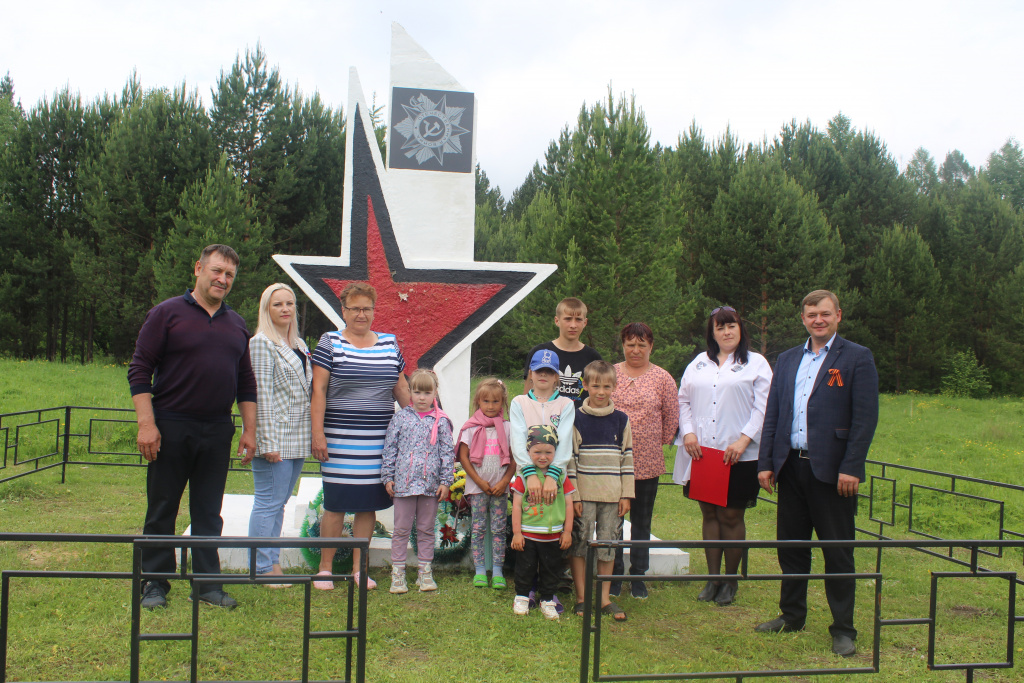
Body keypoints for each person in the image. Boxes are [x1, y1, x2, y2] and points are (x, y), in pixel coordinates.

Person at [128, 244, 257, 611]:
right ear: (198, 268)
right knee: (162, 508)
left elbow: (245, 382)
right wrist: (147, 424)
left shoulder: (236, 324)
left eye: (230, 275)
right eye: (217, 271)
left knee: (207, 512)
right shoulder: (166, 313)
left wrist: (249, 430)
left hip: (217, 429)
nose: (223, 279)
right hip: (170, 425)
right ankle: (154, 584)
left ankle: (207, 584)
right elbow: (139, 370)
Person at [755, 290, 879, 658]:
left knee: (837, 552)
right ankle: (791, 615)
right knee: (791, 548)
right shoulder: (789, 358)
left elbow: (864, 419)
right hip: (791, 467)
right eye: (812, 314)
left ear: (838, 315)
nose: (818, 319)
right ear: (803, 318)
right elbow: (773, 414)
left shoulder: (857, 358)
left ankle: (843, 629)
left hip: (833, 473)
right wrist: (766, 462)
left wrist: (852, 467)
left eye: (825, 313)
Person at [310, 282, 411, 591]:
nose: (361, 314)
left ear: (373, 311)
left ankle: (359, 569)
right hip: (338, 439)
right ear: (344, 310)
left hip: (380, 440)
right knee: (336, 503)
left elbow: (402, 389)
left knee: (367, 504)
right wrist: (317, 434)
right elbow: (319, 391)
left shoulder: (389, 344)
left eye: (367, 308)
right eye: (355, 308)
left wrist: (422, 425)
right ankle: (325, 570)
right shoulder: (330, 342)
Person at [675, 306, 772, 606]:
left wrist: (744, 440)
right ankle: (712, 578)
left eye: (731, 326)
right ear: (712, 333)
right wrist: (688, 432)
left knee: (731, 514)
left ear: (741, 329)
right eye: (720, 327)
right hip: (704, 452)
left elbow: (763, 406)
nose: (726, 332)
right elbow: (684, 400)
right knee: (710, 513)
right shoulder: (698, 364)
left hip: (739, 454)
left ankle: (731, 580)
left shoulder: (755, 364)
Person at [247, 283, 318, 587]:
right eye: (278, 304)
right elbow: (260, 395)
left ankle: (272, 562)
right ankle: (261, 567)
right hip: (275, 438)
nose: (285, 309)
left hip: (297, 438)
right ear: (266, 309)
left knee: (280, 502)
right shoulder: (261, 343)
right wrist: (266, 443)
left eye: (289, 303)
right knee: (267, 502)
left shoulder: (299, 344)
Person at [609, 322, 679, 599]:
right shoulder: (611, 373)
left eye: (641, 344)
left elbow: (671, 418)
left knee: (642, 522)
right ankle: (612, 575)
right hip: (611, 462)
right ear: (623, 345)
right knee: (611, 522)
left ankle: (638, 575)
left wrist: (648, 439)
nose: (635, 350)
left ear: (651, 346)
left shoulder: (663, 378)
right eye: (630, 344)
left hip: (647, 462)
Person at [568, 360, 634, 622]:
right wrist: (573, 495)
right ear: (585, 386)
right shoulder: (575, 417)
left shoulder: (621, 420)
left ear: (614, 387)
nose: (601, 391)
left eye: (607, 386)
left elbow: (627, 458)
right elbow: (570, 459)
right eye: (595, 386)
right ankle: (582, 597)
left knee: (608, 544)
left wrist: (626, 494)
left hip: (612, 495)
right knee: (580, 543)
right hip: (583, 495)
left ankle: (605, 598)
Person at [381, 369, 455, 594]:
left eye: (427, 392)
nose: (421, 397)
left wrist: (445, 481)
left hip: (430, 486)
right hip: (403, 484)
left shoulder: (441, 422)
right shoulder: (400, 417)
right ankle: (398, 572)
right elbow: (390, 449)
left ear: (435, 393)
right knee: (401, 529)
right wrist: (387, 477)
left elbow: (447, 453)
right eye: (417, 392)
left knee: (425, 529)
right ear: (410, 392)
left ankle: (424, 571)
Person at [511, 425, 576, 620]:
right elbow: (515, 505)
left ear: (555, 452)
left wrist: (567, 532)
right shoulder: (523, 476)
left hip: (553, 535)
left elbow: (569, 505)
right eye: (537, 452)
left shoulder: (560, 477)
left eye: (548, 452)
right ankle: (522, 596)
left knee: (551, 569)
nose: (542, 457)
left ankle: (547, 599)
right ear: (528, 451)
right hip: (528, 534)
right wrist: (516, 533)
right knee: (525, 567)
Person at [457, 378, 513, 589]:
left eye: (495, 401)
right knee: (479, 527)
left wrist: (505, 480)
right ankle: (480, 570)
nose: (490, 406)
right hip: (477, 488)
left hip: (500, 488)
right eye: (486, 401)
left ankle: (497, 570)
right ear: (478, 402)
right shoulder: (471, 428)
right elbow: (463, 456)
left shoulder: (507, 428)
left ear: (503, 403)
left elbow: (515, 457)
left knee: (499, 529)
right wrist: (479, 481)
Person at [510, 349, 576, 506]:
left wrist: (553, 476)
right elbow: (518, 440)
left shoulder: (566, 404)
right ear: (531, 373)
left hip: (556, 478)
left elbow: (565, 441)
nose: (543, 375)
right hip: (526, 477)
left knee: (553, 523)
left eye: (549, 371)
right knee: (529, 522)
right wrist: (530, 474)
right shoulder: (519, 402)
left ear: (556, 377)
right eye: (539, 370)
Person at [522, 297, 602, 405]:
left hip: (580, 421)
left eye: (578, 319)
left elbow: (600, 396)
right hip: (544, 420)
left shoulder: (593, 357)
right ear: (557, 321)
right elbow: (527, 396)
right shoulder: (540, 353)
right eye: (568, 319)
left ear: (585, 322)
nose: (573, 325)